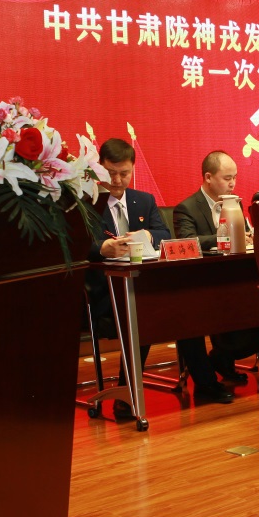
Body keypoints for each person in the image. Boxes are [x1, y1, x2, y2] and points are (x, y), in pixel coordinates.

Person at [172, 151, 259, 402]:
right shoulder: (186, 208)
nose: (233, 183)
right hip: (200, 284)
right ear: (208, 177)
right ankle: (206, 383)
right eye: (227, 178)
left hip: (234, 280)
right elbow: (187, 242)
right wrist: (226, 235)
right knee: (187, 318)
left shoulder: (234, 204)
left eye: (235, 177)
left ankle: (222, 356)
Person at [85, 137, 172, 389]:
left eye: (124, 173)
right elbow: (74, 244)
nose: (117, 180)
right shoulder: (86, 203)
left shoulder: (144, 200)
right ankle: (128, 391)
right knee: (144, 312)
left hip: (141, 286)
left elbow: (165, 235)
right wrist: (102, 248)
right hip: (104, 292)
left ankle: (205, 381)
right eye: (110, 173)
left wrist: (148, 235)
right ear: (99, 169)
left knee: (181, 304)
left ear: (133, 169)